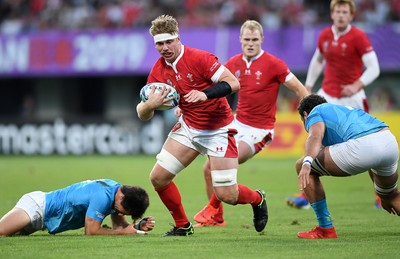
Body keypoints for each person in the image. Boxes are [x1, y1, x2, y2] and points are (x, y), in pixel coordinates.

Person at [136, 14, 268, 236]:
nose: (165, 47)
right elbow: (142, 113)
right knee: (158, 178)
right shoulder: (158, 71)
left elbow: (233, 83)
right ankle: (182, 226)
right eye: (160, 43)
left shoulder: (200, 58)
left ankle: (258, 198)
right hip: (188, 128)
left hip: (218, 129)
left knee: (227, 194)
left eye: (169, 41)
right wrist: (151, 105)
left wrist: (205, 95)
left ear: (178, 39)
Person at [192, 20, 309, 227]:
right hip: (237, 124)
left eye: (255, 39)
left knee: (230, 160)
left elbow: (300, 90)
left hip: (260, 129)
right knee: (208, 168)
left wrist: (309, 114)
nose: (251, 43)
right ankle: (217, 218)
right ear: (240, 40)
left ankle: (211, 208)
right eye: (247, 39)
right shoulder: (234, 63)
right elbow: (210, 86)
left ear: (262, 40)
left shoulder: (274, 64)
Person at [287, 0, 381, 209]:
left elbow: (374, 67)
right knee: (315, 140)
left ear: (351, 15)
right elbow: (318, 60)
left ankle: (380, 194)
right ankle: (306, 192)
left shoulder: (358, 36)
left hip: (352, 97)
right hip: (327, 96)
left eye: (344, 12)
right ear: (332, 14)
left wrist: (357, 84)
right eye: (337, 11)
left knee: (369, 143)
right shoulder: (325, 35)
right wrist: (308, 86)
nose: (340, 15)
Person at [295, 94, 399, 239]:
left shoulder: (315, 112)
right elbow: (372, 157)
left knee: (301, 165)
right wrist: (382, 193)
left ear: (305, 115)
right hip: (389, 142)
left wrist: (307, 163)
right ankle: (388, 196)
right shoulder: (345, 111)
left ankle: (325, 229)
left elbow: (314, 136)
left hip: (363, 146)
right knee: (392, 195)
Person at [0, 179, 155, 236]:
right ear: (121, 198)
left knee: (9, 237)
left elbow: (119, 225)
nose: (120, 213)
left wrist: (136, 227)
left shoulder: (117, 192)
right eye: (123, 211)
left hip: (42, 222)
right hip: (37, 206)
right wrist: (123, 232)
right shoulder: (103, 196)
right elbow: (91, 231)